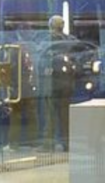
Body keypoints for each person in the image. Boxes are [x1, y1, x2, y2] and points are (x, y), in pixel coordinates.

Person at [40, 15, 77, 152]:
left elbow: (40, 57)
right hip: (67, 83)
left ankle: (47, 144)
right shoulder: (71, 41)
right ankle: (66, 143)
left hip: (51, 82)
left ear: (50, 26)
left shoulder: (46, 41)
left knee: (49, 115)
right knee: (64, 115)